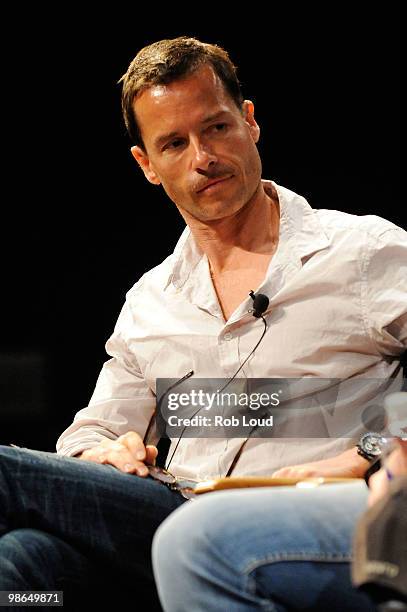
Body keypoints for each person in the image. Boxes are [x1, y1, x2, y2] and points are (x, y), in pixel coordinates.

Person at [0, 36, 406, 608]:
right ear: (147, 165)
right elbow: (88, 433)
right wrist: (107, 453)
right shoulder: (151, 299)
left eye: (215, 128)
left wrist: (367, 450)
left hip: (305, 516)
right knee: (19, 569)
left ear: (249, 122)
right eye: (173, 143)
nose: (202, 158)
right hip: (167, 516)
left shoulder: (364, 253)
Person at [152, 436, 407, 612]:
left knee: (199, 539)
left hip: (302, 487)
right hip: (178, 482)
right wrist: (115, 445)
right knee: (111, 491)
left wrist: (369, 453)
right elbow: (111, 427)